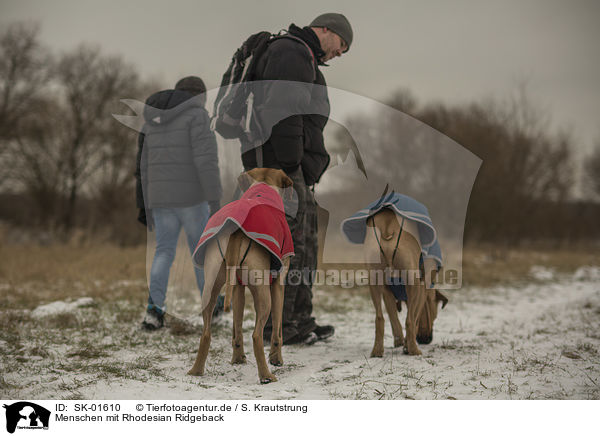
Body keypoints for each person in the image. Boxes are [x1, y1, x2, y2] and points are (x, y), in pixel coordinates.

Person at [241, 13, 353, 344]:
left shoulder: (303, 55)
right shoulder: (291, 52)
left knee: (305, 243)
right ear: (326, 30)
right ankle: (277, 324)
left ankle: (299, 318)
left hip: (296, 168)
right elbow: (283, 108)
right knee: (289, 243)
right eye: (342, 44)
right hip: (280, 167)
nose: (341, 52)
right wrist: (292, 163)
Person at [135, 76, 222, 330]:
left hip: (160, 200)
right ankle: (212, 307)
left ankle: (154, 312)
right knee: (201, 253)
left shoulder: (151, 120)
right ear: (199, 96)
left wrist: (143, 204)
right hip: (192, 199)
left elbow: (141, 168)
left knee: (163, 252)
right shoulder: (197, 116)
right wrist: (214, 199)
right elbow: (206, 160)